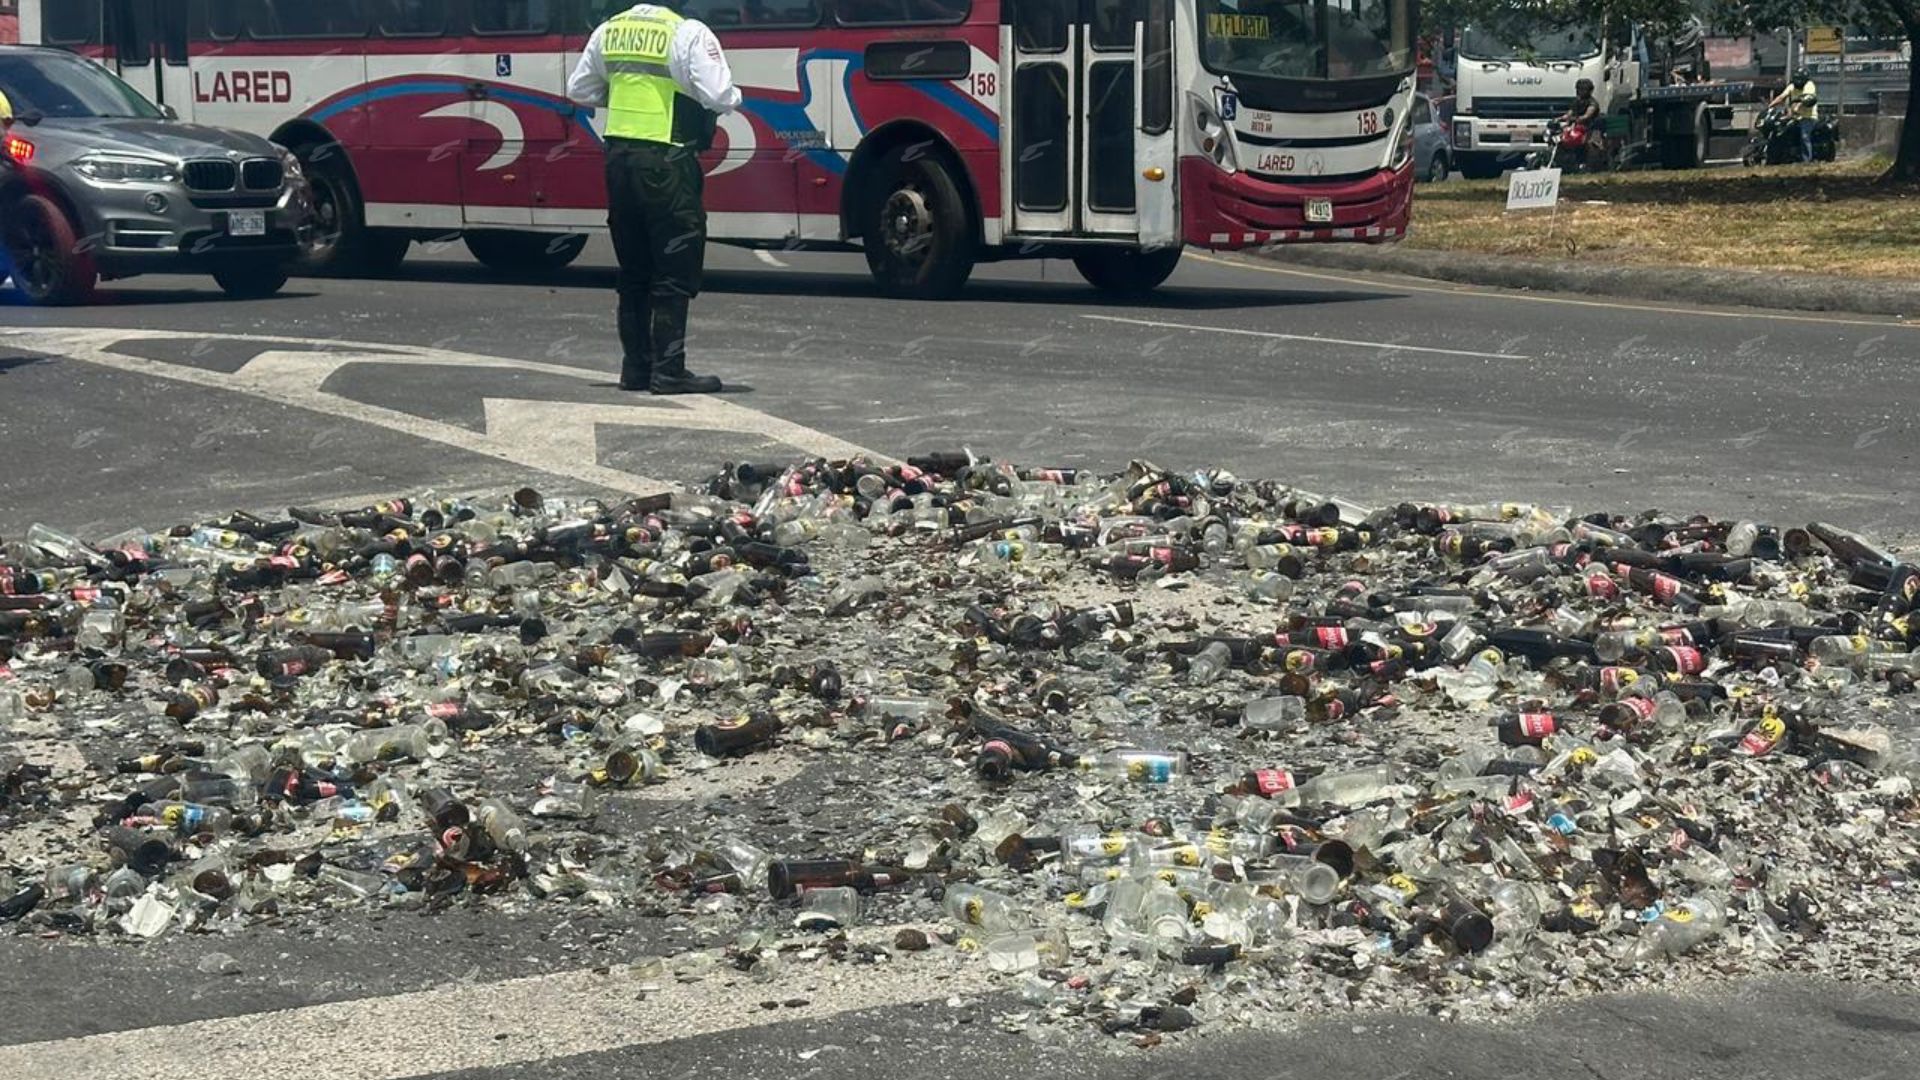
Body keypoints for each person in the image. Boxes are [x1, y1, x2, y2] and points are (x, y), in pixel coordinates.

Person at [568, 3, 740, 395]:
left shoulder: (610, 29)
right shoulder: (687, 32)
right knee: (674, 270)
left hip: (619, 160)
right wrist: (730, 96)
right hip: (667, 161)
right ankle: (669, 371)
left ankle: (636, 368)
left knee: (634, 271)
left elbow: (580, 89)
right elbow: (719, 95)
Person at [1769, 68, 1819, 163]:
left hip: (1808, 117)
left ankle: (1806, 160)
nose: (1798, 81)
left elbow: (1806, 97)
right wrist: (1770, 106)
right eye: (1796, 78)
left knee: (1804, 136)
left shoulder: (1809, 85)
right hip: (1794, 117)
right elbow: (1782, 97)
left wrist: (1797, 106)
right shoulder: (1792, 86)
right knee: (1780, 131)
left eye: (1800, 79)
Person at [1556, 77, 1601, 168]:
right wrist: (1560, 118)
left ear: (1589, 90)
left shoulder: (1592, 103)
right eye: (1579, 89)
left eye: (1583, 89)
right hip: (1576, 127)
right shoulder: (1576, 101)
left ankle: (1588, 164)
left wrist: (1578, 119)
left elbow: (1587, 115)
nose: (1580, 91)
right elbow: (1569, 113)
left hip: (1590, 128)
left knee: (1590, 144)